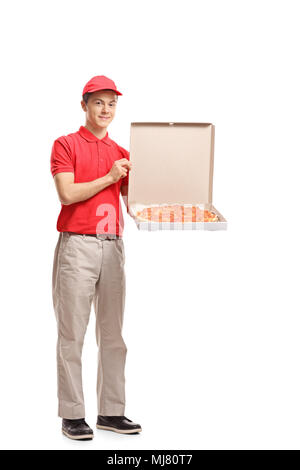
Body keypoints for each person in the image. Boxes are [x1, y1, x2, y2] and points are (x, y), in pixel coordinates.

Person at [50, 75, 142, 440]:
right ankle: (72, 415)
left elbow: (133, 205)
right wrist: (109, 177)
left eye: (112, 103)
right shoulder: (66, 144)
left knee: (113, 335)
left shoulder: (123, 153)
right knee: (72, 333)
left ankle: (111, 412)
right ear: (84, 105)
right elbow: (67, 194)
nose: (106, 110)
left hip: (113, 246)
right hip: (77, 246)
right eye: (99, 102)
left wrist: (165, 197)